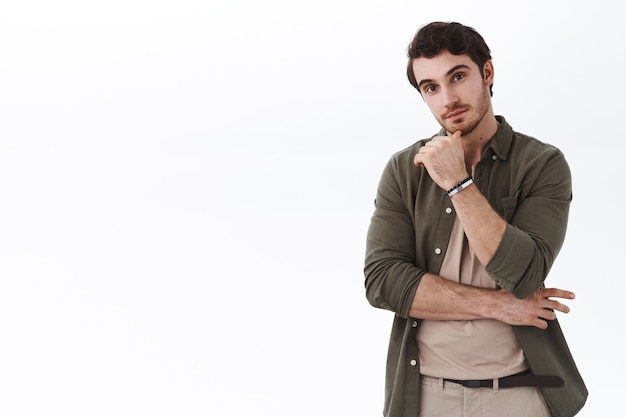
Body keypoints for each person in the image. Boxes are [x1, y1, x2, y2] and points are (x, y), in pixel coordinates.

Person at [364, 22, 587, 417]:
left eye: (458, 76)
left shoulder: (541, 164)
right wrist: (499, 307)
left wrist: (458, 183)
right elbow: (383, 282)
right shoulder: (404, 169)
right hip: (427, 395)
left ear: (487, 73)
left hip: (521, 395)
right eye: (431, 87)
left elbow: (525, 275)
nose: (448, 98)